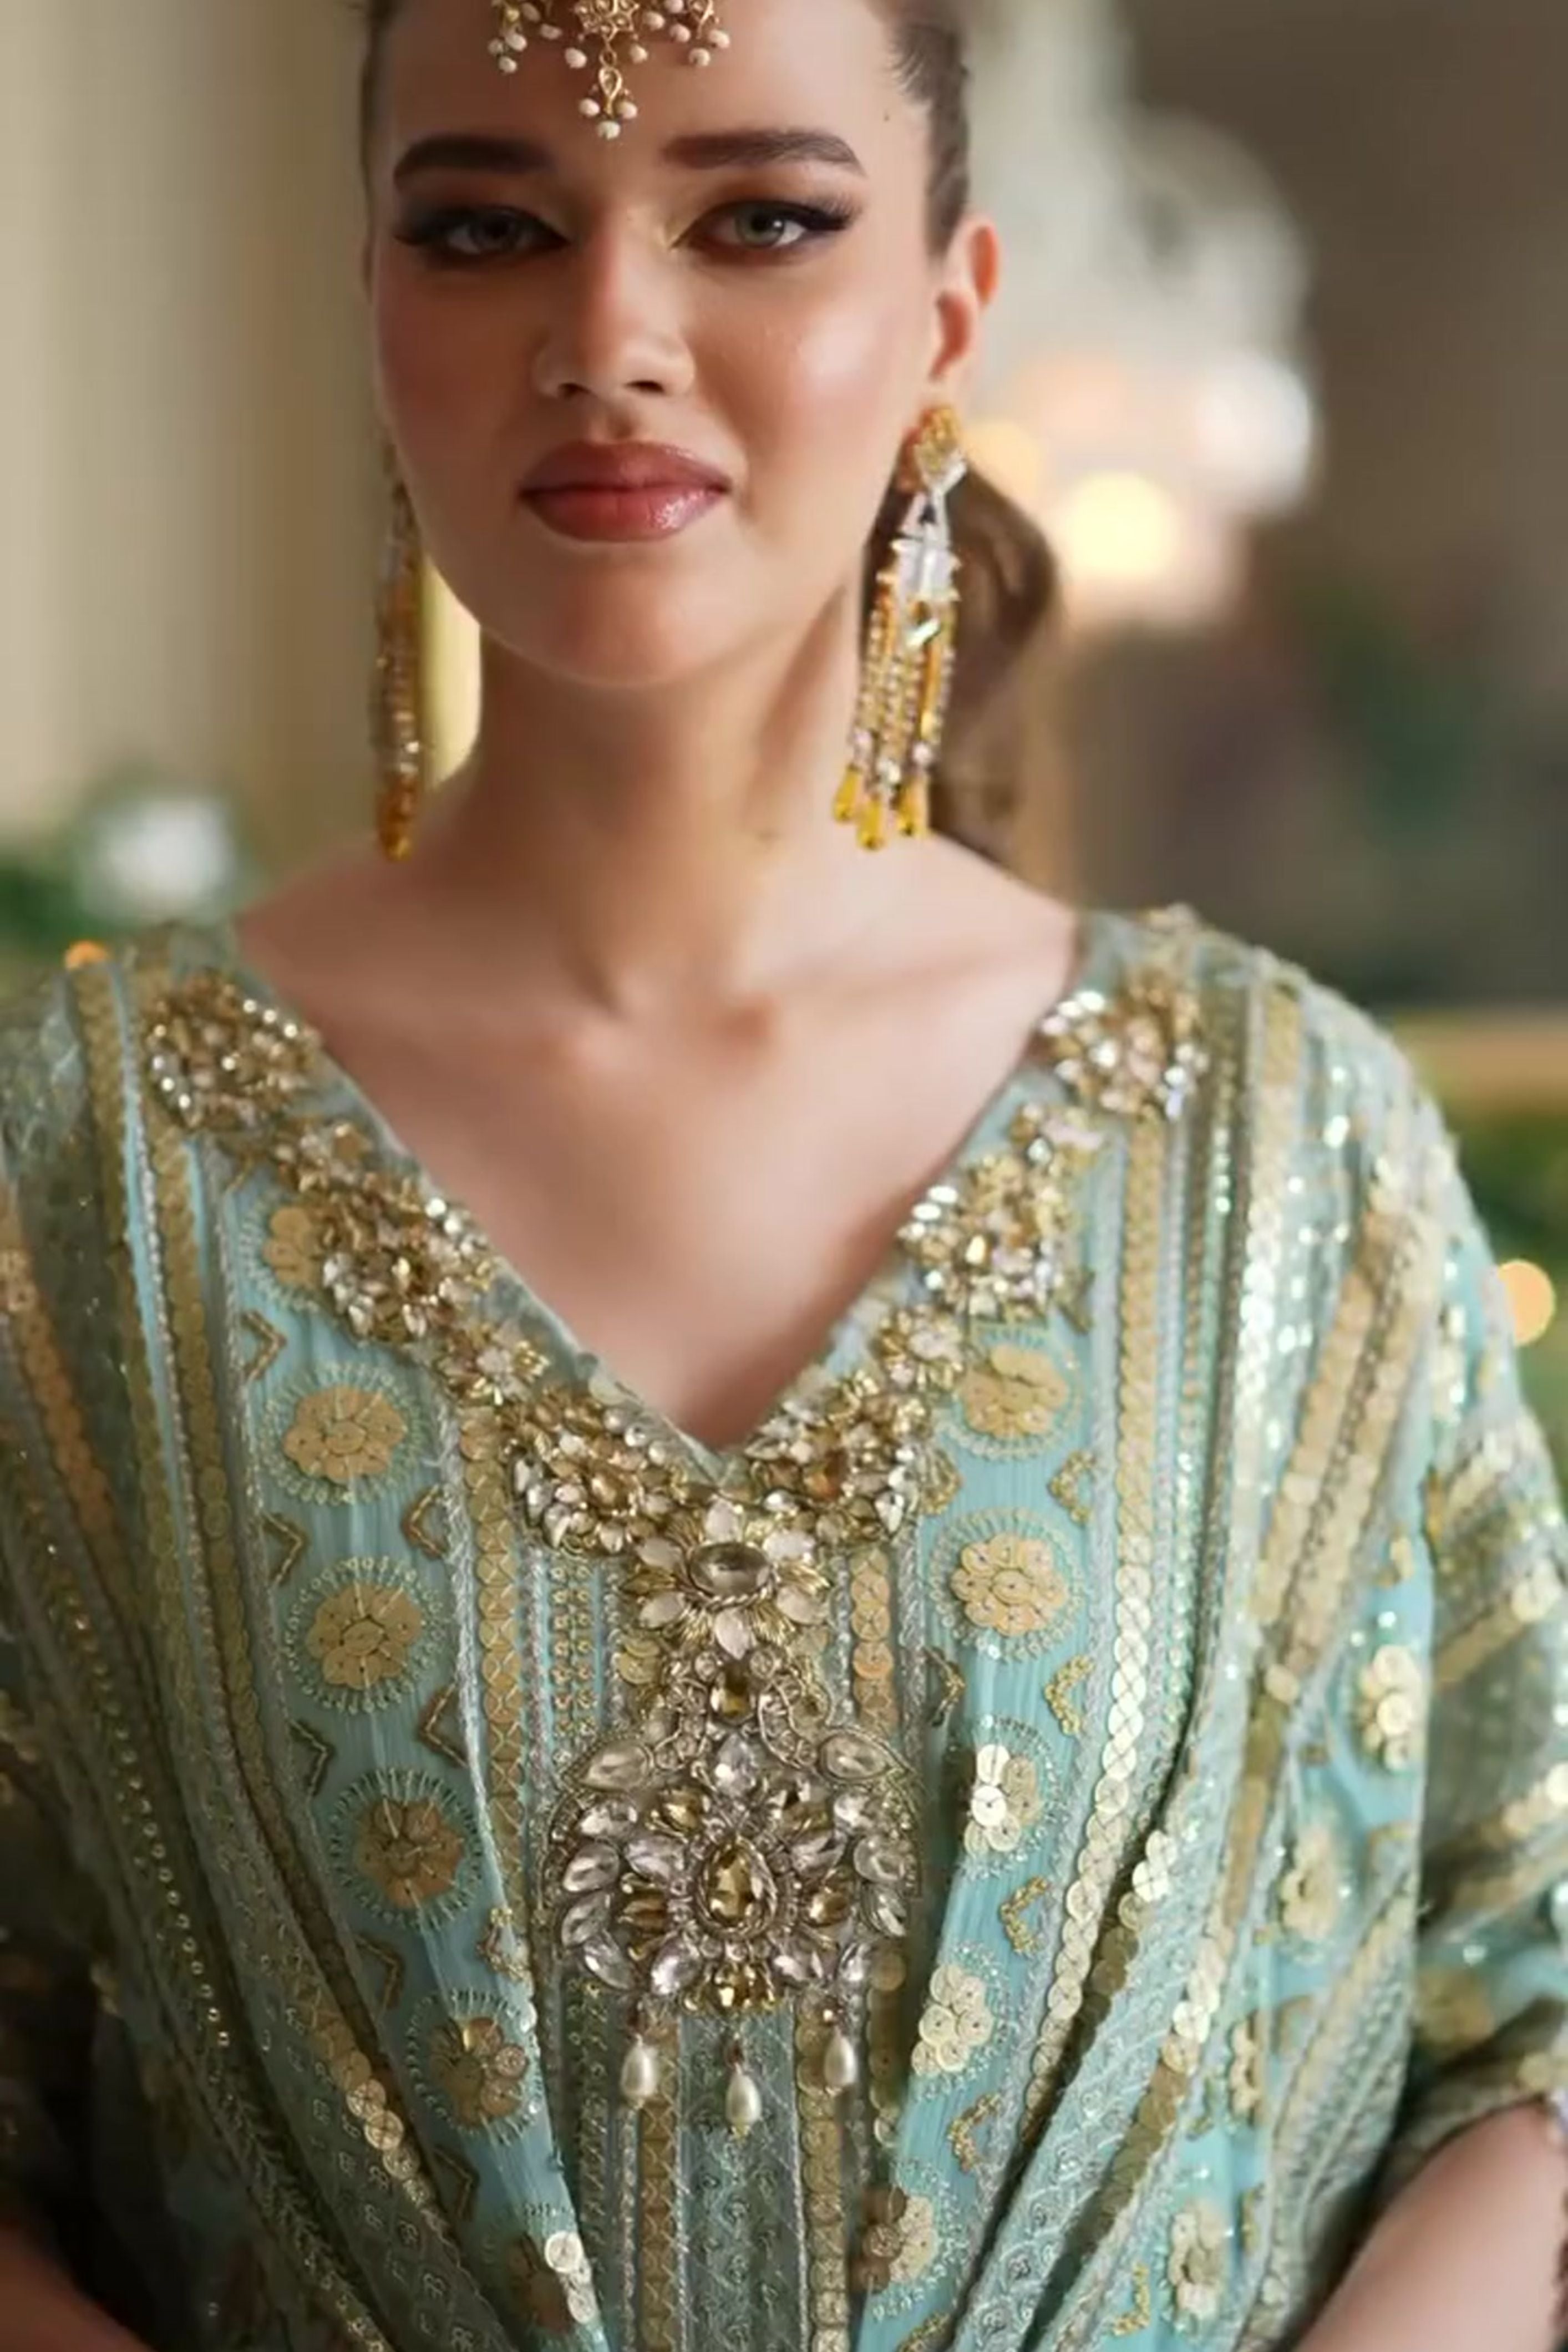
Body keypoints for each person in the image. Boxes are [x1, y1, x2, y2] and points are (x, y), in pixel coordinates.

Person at [1, 1, 1565, 2346]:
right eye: (484, 226)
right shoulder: (76, 1169)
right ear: (372, 296)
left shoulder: (1271, 1141)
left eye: (758, 220)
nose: (608, 334)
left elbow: (1516, 2000)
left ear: (943, 308)